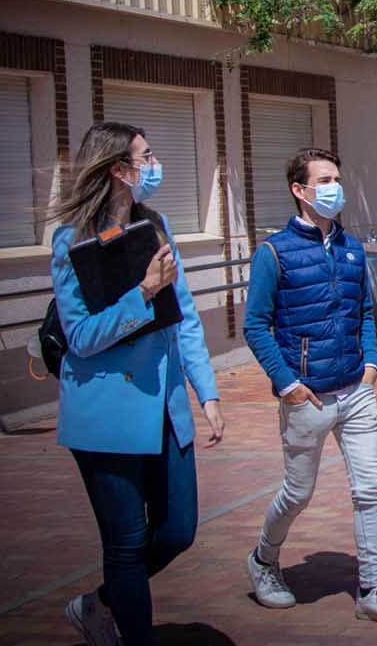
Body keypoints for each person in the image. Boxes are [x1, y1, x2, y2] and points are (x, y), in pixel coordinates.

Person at [49, 122, 225, 646]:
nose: (154, 165)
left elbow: (184, 316)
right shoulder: (71, 241)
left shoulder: (156, 225)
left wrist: (207, 392)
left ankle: (101, 602)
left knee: (178, 531)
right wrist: (142, 293)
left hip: (166, 407)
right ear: (117, 169)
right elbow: (81, 337)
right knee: (125, 543)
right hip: (106, 415)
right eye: (145, 157)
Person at [241, 147, 377, 628]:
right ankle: (263, 559)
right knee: (298, 493)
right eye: (323, 180)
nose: (334, 188)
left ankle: (372, 589)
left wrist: (371, 363)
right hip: (308, 396)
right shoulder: (274, 253)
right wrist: (288, 385)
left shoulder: (352, 248)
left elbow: (362, 312)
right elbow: (255, 325)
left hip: (356, 390)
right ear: (299, 190)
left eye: (336, 178)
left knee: (370, 490)